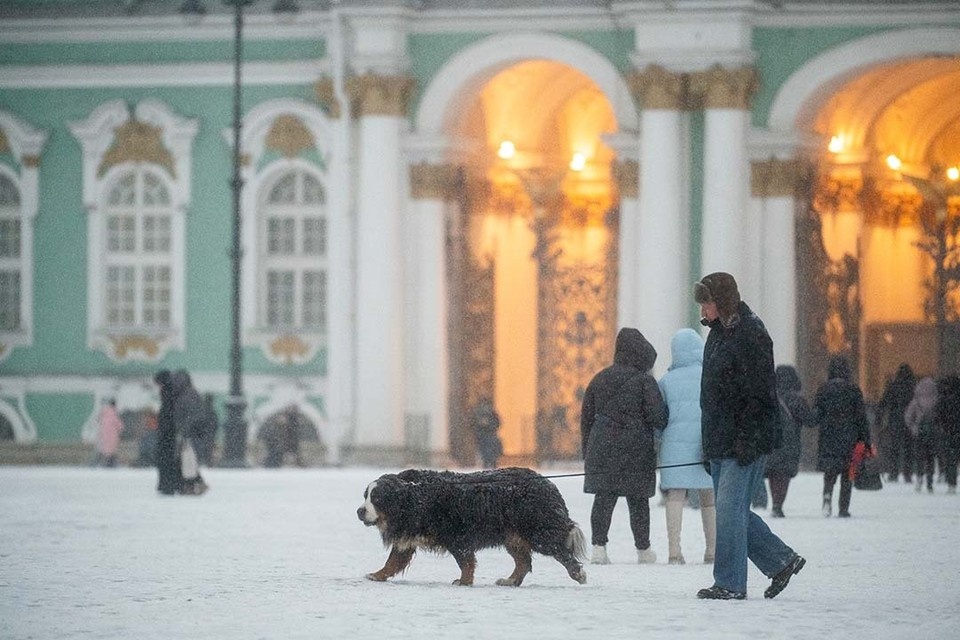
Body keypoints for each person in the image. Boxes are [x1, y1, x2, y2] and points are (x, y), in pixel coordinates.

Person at [693, 272, 805, 600]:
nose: (703, 308)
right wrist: (708, 442)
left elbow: (759, 393)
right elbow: (711, 395)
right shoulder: (718, 333)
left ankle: (729, 583)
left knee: (728, 511)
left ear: (723, 301)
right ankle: (780, 560)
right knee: (734, 510)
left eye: (707, 301)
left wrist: (747, 439)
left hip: (746, 440)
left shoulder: (751, 333)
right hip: (721, 439)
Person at [580, 327, 666, 565]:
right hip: (636, 449)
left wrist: (587, 450)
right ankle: (643, 550)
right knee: (638, 501)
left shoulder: (599, 379)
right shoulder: (644, 382)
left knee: (604, 498)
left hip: (603, 447)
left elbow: (586, 418)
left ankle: (598, 547)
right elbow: (658, 416)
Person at [657, 328, 715, 565]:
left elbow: (660, 417)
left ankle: (674, 551)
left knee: (675, 497)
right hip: (705, 445)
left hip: (675, 448)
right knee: (709, 498)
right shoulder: (710, 376)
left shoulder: (666, 381)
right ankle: (712, 551)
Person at [813, 355, 870, 517]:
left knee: (829, 472)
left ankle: (827, 497)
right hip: (849, 437)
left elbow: (816, 414)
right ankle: (843, 508)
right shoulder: (853, 390)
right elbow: (861, 418)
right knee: (848, 473)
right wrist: (865, 440)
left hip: (828, 436)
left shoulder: (823, 389)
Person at [765, 365, 814, 518]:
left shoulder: (768, 397)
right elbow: (810, 420)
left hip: (772, 440)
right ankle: (778, 504)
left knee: (774, 472)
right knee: (784, 473)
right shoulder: (796, 400)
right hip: (790, 442)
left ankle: (775, 503)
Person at [170, 370, 208, 495]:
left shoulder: (186, 395)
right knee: (187, 459)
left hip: (190, 433)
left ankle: (189, 486)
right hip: (192, 432)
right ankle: (191, 484)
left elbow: (190, 416)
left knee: (186, 459)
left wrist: (185, 429)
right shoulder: (189, 393)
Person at [878, 363, 916, 482]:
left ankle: (893, 473)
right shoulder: (913, 387)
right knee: (908, 448)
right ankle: (907, 474)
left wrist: (879, 418)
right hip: (910, 422)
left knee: (894, 448)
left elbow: (884, 403)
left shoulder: (893, 386)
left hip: (895, 421)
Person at [905, 376, 938, 494]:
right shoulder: (936, 400)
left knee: (919, 457)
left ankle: (919, 479)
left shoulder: (916, 401)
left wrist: (913, 427)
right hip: (932, 433)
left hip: (919, 432)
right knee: (930, 458)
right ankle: (929, 482)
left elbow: (908, 416)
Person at [153, 370, 181, 495]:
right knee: (168, 459)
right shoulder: (173, 391)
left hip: (167, 432)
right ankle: (169, 484)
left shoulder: (167, 392)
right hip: (170, 432)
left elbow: (167, 413)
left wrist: (163, 426)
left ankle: (166, 485)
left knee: (164, 460)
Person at [935, 375, 960, 494]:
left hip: (949, 432)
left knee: (951, 459)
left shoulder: (945, 398)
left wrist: (942, 426)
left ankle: (952, 483)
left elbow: (938, 415)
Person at [471, 398, 503, 469]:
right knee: (490, 451)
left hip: (482, 435)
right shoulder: (491, 412)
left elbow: (472, 423)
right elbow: (498, 422)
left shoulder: (477, 411)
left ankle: (487, 464)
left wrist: (477, 429)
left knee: (484, 451)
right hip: (489, 434)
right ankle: (492, 463)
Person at [93, 398, 124, 467]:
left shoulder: (104, 412)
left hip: (103, 435)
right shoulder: (113, 413)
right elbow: (120, 425)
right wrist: (121, 429)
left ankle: (97, 463)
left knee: (104, 450)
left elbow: (98, 421)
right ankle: (109, 464)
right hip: (112, 435)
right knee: (110, 451)